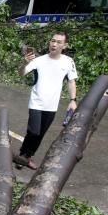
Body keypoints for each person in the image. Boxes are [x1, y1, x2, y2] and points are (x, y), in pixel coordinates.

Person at [14, 32, 78, 170]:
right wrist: (24, 63)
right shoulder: (39, 60)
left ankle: (26, 156)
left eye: (59, 42)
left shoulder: (68, 62)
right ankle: (22, 155)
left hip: (52, 105)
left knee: (40, 134)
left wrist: (73, 100)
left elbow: (71, 81)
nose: (54, 44)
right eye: (53, 41)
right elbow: (21, 73)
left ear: (64, 45)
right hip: (36, 102)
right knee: (34, 131)